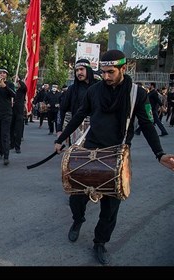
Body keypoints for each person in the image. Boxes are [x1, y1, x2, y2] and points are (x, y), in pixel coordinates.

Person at [54, 50, 174, 265]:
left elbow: (147, 124)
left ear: (123, 69)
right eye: (103, 72)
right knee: (76, 196)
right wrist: (61, 138)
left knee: (110, 208)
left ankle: (100, 242)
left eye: (111, 72)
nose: (106, 76)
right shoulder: (94, 91)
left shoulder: (137, 93)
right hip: (90, 150)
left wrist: (160, 154)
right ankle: (78, 219)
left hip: (117, 153)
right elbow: (80, 114)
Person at [57, 59, 97, 145]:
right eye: (77, 70)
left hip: (96, 129)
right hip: (76, 128)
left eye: (81, 69)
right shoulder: (72, 89)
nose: (79, 73)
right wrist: (59, 130)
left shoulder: (98, 86)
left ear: (88, 70)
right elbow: (62, 109)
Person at [10, 75, 27, 153]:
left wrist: (18, 80)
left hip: (19, 112)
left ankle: (17, 147)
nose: (17, 84)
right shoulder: (12, 89)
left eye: (18, 83)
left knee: (18, 130)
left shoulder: (22, 90)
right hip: (11, 111)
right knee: (11, 129)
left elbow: (24, 87)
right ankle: (12, 144)